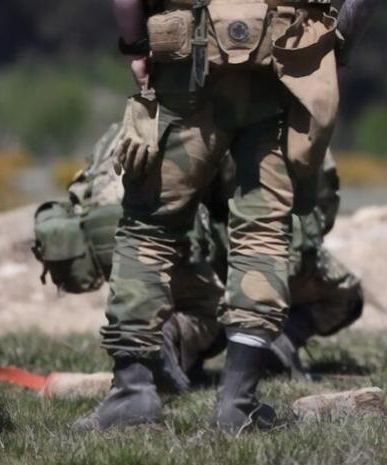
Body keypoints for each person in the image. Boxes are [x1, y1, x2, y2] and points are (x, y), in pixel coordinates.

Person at [77, 0, 387, 431]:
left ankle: (132, 391)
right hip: (279, 82)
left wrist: (134, 43)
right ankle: (237, 403)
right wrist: (331, 44)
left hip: (186, 72)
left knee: (149, 226)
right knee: (262, 231)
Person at [33, 123, 363, 387]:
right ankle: (174, 346)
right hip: (162, 226)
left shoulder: (147, 109)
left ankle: (149, 359)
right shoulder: (261, 120)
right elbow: (286, 217)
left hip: (106, 233)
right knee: (225, 310)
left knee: (159, 291)